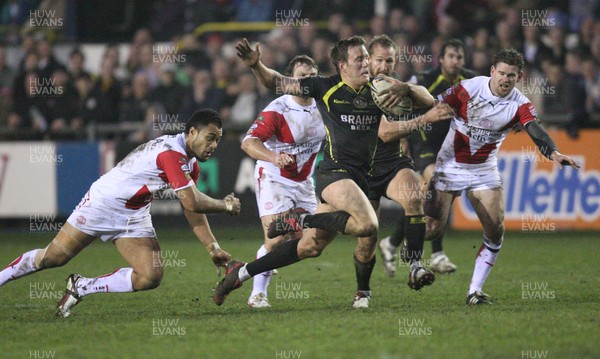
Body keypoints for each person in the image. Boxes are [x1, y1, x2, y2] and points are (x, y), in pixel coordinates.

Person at [213, 36, 434, 308]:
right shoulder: (325, 86)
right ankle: (303, 221)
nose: (367, 63)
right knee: (368, 225)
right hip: (334, 173)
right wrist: (256, 64)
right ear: (342, 65)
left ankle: (242, 272)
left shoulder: (378, 88)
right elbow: (276, 82)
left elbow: (427, 99)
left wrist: (406, 88)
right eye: (360, 59)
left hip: (361, 178)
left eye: (367, 57)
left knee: (310, 248)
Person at [0, 109, 241, 317]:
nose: (213, 146)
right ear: (191, 133)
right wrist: (225, 205)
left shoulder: (190, 164)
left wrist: (212, 247)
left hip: (133, 215)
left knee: (150, 275)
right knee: (52, 258)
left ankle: (82, 286)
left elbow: (190, 207)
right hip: (103, 203)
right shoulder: (171, 153)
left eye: (217, 140)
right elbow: (193, 201)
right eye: (210, 138)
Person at [423, 48, 579, 305]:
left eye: (512, 75)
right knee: (431, 228)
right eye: (502, 73)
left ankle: (474, 291)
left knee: (496, 230)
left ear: (519, 77)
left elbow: (535, 129)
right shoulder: (469, 88)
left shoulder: (519, 104)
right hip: (450, 165)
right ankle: (407, 247)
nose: (506, 79)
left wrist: (553, 152)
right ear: (492, 71)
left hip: (484, 169)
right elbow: (434, 106)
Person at [364, 35, 455, 288]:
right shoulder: (359, 89)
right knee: (365, 236)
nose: (384, 66)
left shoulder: (396, 86)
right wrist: (424, 120)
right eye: (379, 60)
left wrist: (407, 88)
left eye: (389, 60)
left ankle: (415, 265)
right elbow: (385, 132)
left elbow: (429, 99)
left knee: (416, 199)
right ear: (368, 61)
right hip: (362, 169)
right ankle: (363, 290)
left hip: (393, 163)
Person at [380, 38, 477, 274]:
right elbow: (401, 104)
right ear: (441, 59)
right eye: (451, 56)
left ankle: (391, 242)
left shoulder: (472, 81)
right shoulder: (422, 80)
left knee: (428, 200)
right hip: (423, 141)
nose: (455, 61)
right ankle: (437, 255)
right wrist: (402, 138)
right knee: (438, 183)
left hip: (451, 145)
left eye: (459, 57)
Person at [241, 55, 323, 308]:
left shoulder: (325, 104)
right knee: (277, 239)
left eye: (312, 76)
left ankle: (267, 259)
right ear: (291, 81)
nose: (308, 81)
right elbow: (248, 142)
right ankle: (257, 294)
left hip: (304, 182)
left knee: (314, 244)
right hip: (274, 177)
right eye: (302, 77)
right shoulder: (278, 109)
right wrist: (274, 157)